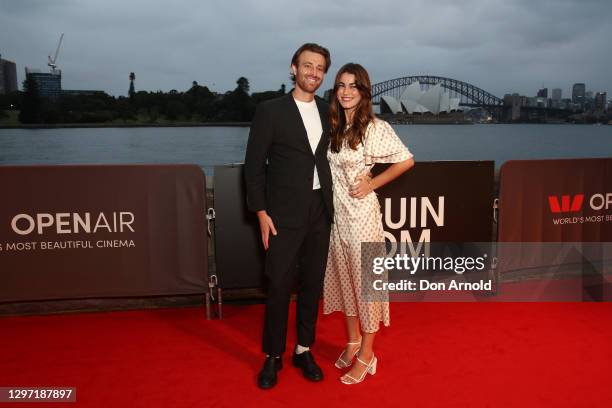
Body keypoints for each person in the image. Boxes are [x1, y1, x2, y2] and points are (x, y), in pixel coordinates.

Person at [244, 43, 334, 390]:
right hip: (281, 213)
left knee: (312, 285)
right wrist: (261, 213)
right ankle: (273, 356)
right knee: (279, 285)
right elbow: (253, 166)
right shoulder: (270, 111)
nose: (314, 72)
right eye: (308, 65)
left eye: (320, 67)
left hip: (320, 211)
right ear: (293, 68)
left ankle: (303, 349)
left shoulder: (330, 111)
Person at [323, 63, 414, 384]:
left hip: (362, 218)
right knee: (346, 283)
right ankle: (352, 341)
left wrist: (372, 183)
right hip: (339, 219)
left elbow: (406, 159)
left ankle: (368, 355)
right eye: (341, 85)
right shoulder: (335, 126)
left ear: (364, 92)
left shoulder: (373, 127)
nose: (346, 91)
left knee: (367, 289)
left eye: (354, 86)